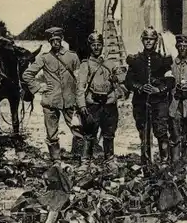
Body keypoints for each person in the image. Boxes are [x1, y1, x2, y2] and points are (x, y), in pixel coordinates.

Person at [22, 27, 83, 165]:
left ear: (61, 40)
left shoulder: (72, 56)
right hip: (51, 100)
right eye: (52, 40)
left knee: (77, 128)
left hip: (70, 100)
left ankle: (82, 159)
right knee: (51, 133)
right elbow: (27, 75)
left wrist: (79, 96)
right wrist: (39, 87)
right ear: (49, 42)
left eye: (58, 40)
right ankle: (56, 160)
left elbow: (80, 78)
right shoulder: (44, 58)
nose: (55, 43)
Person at [124, 26, 174, 168]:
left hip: (159, 102)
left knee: (161, 131)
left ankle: (164, 162)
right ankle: (146, 163)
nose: (148, 42)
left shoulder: (163, 60)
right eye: (146, 39)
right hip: (141, 102)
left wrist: (158, 89)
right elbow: (128, 81)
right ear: (142, 40)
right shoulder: (135, 60)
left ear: (155, 41)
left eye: (151, 39)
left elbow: (170, 81)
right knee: (144, 133)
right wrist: (140, 87)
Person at [76, 31, 121, 173]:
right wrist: (82, 105)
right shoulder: (86, 65)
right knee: (89, 134)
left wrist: (117, 78)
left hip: (108, 103)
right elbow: (80, 87)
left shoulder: (110, 63)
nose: (96, 47)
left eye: (99, 45)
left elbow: (123, 78)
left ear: (102, 46)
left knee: (109, 133)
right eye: (94, 45)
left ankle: (109, 160)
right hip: (93, 104)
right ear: (90, 46)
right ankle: (85, 162)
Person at [168, 34, 187, 167]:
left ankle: (185, 162)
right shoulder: (172, 64)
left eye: (185, 46)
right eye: (180, 46)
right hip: (174, 103)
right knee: (174, 134)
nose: (182, 48)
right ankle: (174, 162)